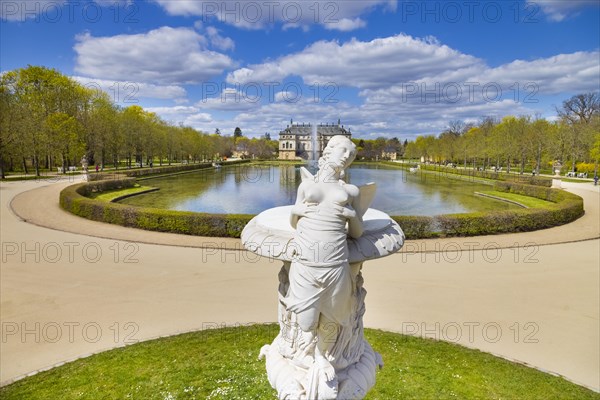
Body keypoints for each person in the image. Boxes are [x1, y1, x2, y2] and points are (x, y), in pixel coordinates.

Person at [285, 135, 364, 385]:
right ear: (329, 150)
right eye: (343, 150)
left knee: (332, 319)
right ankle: (305, 347)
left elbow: (357, 233)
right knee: (307, 323)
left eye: (351, 155)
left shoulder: (350, 191)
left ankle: (321, 356)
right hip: (307, 263)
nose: (347, 157)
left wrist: (352, 215)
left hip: (335, 262)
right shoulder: (305, 186)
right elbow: (295, 222)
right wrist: (295, 211)